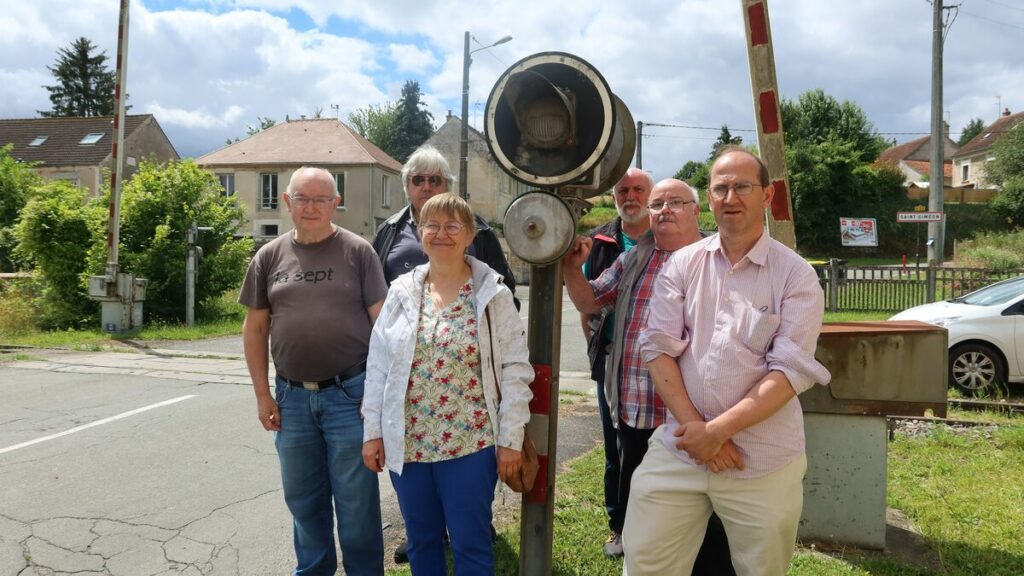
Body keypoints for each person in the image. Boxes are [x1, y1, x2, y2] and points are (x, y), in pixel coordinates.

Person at [624, 147, 832, 575]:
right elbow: (657, 347)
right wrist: (699, 432)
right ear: (709, 197)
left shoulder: (795, 276)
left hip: (761, 460)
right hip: (681, 447)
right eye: (721, 188)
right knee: (645, 560)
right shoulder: (682, 264)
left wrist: (717, 432)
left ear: (766, 195)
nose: (731, 197)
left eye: (742, 187)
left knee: (762, 569)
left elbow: (789, 373)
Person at [564, 179, 733, 573]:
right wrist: (573, 267)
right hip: (639, 411)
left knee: (708, 518)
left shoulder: (719, 259)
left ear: (697, 210)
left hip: (694, 417)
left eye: (676, 202)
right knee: (644, 512)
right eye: (658, 204)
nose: (664, 210)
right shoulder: (635, 256)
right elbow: (590, 300)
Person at [361, 193, 534, 576]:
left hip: (470, 442)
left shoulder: (494, 293)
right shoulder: (402, 291)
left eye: (453, 225)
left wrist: (510, 440)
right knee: (422, 541)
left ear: (470, 235)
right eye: (432, 225)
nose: (442, 233)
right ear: (420, 232)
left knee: (470, 541)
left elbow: (516, 371)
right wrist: (372, 431)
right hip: (410, 443)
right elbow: (378, 365)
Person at [240, 167, 386, 576]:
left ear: (336, 204)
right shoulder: (269, 256)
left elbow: (383, 326)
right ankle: (314, 570)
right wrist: (261, 394)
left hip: (350, 395)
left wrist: (378, 397)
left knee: (356, 501)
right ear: (287, 202)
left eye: (321, 199)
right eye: (302, 198)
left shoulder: (359, 252)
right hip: (290, 398)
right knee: (303, 499)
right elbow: (255, 329)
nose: (311, 207)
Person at [578, 167, 651, 556]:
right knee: (615, 447)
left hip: (660, 365)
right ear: (614, 196)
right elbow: (586, 303)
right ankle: (619, 526)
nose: (630, 196)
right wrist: (597, 347)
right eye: (623, 190)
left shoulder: (669, 239)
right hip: (612, 363)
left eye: (639, 189)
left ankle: (658, 523)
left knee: (658, 446)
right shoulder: (601, 240)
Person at [372, 144, 517, 304]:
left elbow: (505, 290)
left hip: (465, 324)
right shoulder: (388, 230)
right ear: (407, 185)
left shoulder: (478, 230)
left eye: (434, 180)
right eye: (418, 180)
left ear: (447, 186)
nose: (426, 187)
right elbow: (371, 293)